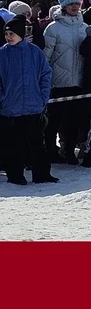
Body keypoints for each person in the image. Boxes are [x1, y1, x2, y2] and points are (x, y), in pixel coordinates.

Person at [0, 14, 56, 185]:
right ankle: (15, 176)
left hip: (33, 106)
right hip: (10, 109)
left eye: (12, 33)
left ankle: (42, 174)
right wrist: (2, 99)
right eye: (6, 34)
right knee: (12, 146)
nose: (8, 37)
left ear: (20, 34)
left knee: (37, 144)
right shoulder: (2, 54)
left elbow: (46, 74)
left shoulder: (34, 52)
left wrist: (43, 97)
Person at [43, 0, 89, 163]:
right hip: (58, 82)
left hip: (78, 80)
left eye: (77, 3)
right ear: (63, 6)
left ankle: (69, 151)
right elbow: (46, 56)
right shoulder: (53, 28)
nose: (74, 6)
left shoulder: (84, 27)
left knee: (74, 119)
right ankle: (50, 151)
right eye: (71, 4)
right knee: (54, 120)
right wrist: (45, 79)